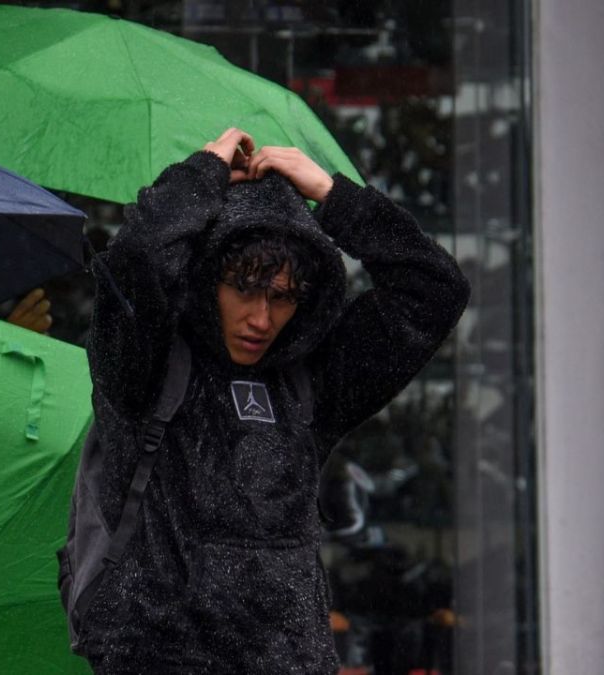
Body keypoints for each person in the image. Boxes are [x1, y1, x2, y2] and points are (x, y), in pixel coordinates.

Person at [79, 128, 469, 673]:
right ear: (207, 277)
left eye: (283, 297)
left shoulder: (311, 378)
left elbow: (435, 290)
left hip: (294, 659)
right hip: (158, 653)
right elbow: (135, 264)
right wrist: (200, 177)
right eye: (244, 288)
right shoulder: (145, 365)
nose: (262, 319)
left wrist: (336, 198)